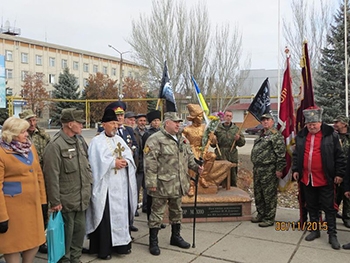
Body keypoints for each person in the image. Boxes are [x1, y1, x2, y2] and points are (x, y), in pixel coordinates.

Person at [144, 112, 203, 256]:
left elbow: (189, 158)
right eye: (175, 122)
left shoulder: (182, 139)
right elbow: (150, 164)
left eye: (179, 122)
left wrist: (197, 167)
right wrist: (151, 182)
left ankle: (175, 237)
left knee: (177, 211)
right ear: (167, 123)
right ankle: (153, 242)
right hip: (162, 185)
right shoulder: (155, 140)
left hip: (178, 183)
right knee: (157, 214)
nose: (178, 125)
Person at [86, 108, 137, 260]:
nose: (115, 126)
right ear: (103, 124)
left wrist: (126, 161)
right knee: (106, 217)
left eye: (116, 123)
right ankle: (104, 248)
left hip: (120, 186)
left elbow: (129, 156)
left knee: (121, 215)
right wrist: (112, 162)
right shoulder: (97, 141)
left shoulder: (119, 140)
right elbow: (94, 163)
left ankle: (121, 246)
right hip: (106, 188)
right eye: (112, 123)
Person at [292, 107, 346, 250]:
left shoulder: (331, 136)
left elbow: (339, 156)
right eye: (309, 124)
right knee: (312, 206)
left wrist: (339, 174)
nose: (312, 126)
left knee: (329, 208)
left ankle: (332, 235)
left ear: (320, 122)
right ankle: (315, 230)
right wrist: (296, 170)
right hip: (307, 178)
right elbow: (297, 155)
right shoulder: (301, 136)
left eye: (314, 123)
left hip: (325, 179)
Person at [43, 108, 92, 263]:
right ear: (70, 124)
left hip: (81, 199)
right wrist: (55, 201)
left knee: (79, 233)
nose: (82, 126)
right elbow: (51, 176)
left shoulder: (80, 141)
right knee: (65, 235)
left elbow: (86, 166)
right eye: (79, 123)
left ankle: (75, 258)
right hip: (66, 200)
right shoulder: (55, 145)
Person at [0, 117, 47, 263]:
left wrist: (43, 201)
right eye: (22, 131)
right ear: (12, 134)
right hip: (13, 210)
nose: (26, 134)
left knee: (34, 242)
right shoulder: (2, 152)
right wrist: (2, 217)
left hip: (33, 207)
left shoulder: (30, 147)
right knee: (12, 246)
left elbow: (39, 175)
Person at [19, 109, 50, 253]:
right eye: (29, 121)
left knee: (43, 210)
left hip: (42, 177)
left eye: (34, 120)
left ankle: (41, 239)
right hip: (25, 179)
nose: (33, 123)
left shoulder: (42, 135)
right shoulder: (18, 136)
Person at [106, 101, 139, 232]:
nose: (119, 118)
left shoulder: (128, 130)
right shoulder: (105, 132)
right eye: (117, 116)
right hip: (114, 172)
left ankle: (129, 222)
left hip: (127, 169)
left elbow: (135, 145)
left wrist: (131, 152)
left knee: (128, 197)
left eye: (121, 116)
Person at [251, 113, 286, 227]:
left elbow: (281, 154)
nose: (265, 122)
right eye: (263, 120)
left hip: (269, 169)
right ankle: (261, 214)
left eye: (268, 120)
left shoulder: (276, 135)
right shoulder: (261, 134)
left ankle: (269, 218)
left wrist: (279, 169)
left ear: (272, 121)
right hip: (258, 169)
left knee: (269, 195)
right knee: (258, 193)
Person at [182, 104, 216, 196]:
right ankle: (191, 185)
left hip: (203, 150)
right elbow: (182, 143)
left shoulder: (205, 128)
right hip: (191, 150)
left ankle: (202, 177)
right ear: (194, 118)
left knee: (212, 156)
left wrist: (213, 138)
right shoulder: (187, 129)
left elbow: (213, 143)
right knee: (194, 160)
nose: (201, 118)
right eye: (200, 116)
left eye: (201, 116)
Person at [214, 109, 246, 187]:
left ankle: (232, 190)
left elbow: (242, 143)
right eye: (227, 116)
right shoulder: (218, 129)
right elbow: (213, 144)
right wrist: (213, 140)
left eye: (230, 116)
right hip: (220, 153)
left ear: (232, 118)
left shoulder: (236, 129)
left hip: (232, 154)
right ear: (224, 117)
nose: (228, 117)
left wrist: (239, 139)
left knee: (232, 175)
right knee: (220, 174)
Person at [333, 115, 350, 228]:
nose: (335, 124)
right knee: (335, 195)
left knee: (347, 196)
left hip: (348, 172)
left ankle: (347, 217)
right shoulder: (333, 137)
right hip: (336, 171)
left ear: (344, 124)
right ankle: (333, 213)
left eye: (337, 122)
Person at [134, 113, 148, 217]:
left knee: (147, 187)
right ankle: (134, 208)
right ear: (137, 122)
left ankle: (146, 206)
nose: (142, 123)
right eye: (140, 121)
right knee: (136, 187)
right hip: (138, 165)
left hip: (147, 165)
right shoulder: (134, 133)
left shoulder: (148, 133)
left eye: (144, 121)